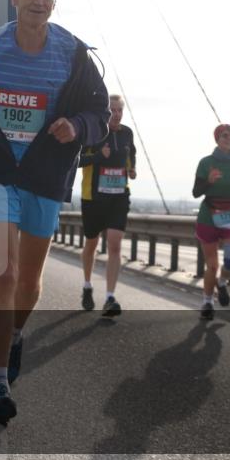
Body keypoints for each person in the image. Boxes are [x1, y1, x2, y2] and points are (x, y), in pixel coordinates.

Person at [0, 0, 108, 425]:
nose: (40, 2)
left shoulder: (75, 54)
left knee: (29, 282)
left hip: (44, 175)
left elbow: (100, 116)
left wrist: (76, 125)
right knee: (4, 272)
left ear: (53, 1)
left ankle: (16, 332)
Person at [78, 94, 136, 317]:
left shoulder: (127, 133)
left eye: (120, 110)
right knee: (92, 243)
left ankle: (110, 297)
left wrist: (131, 169)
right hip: (93, 198)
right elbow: (78, 160)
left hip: (119, 197)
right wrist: (98, 157)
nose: (116, 114)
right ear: (105, 111)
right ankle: (87, 285)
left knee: (114, 245)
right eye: (112, 110)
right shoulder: (93, 132)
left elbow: (131, 154)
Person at [193, 124, 230, 320]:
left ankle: (223, 283)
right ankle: (207, 302)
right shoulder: (206, 163)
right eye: (225, 136)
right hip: (209, 216)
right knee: (212, 266)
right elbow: (196, 192)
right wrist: (208, 181)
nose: (229, 139)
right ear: (217, 139)